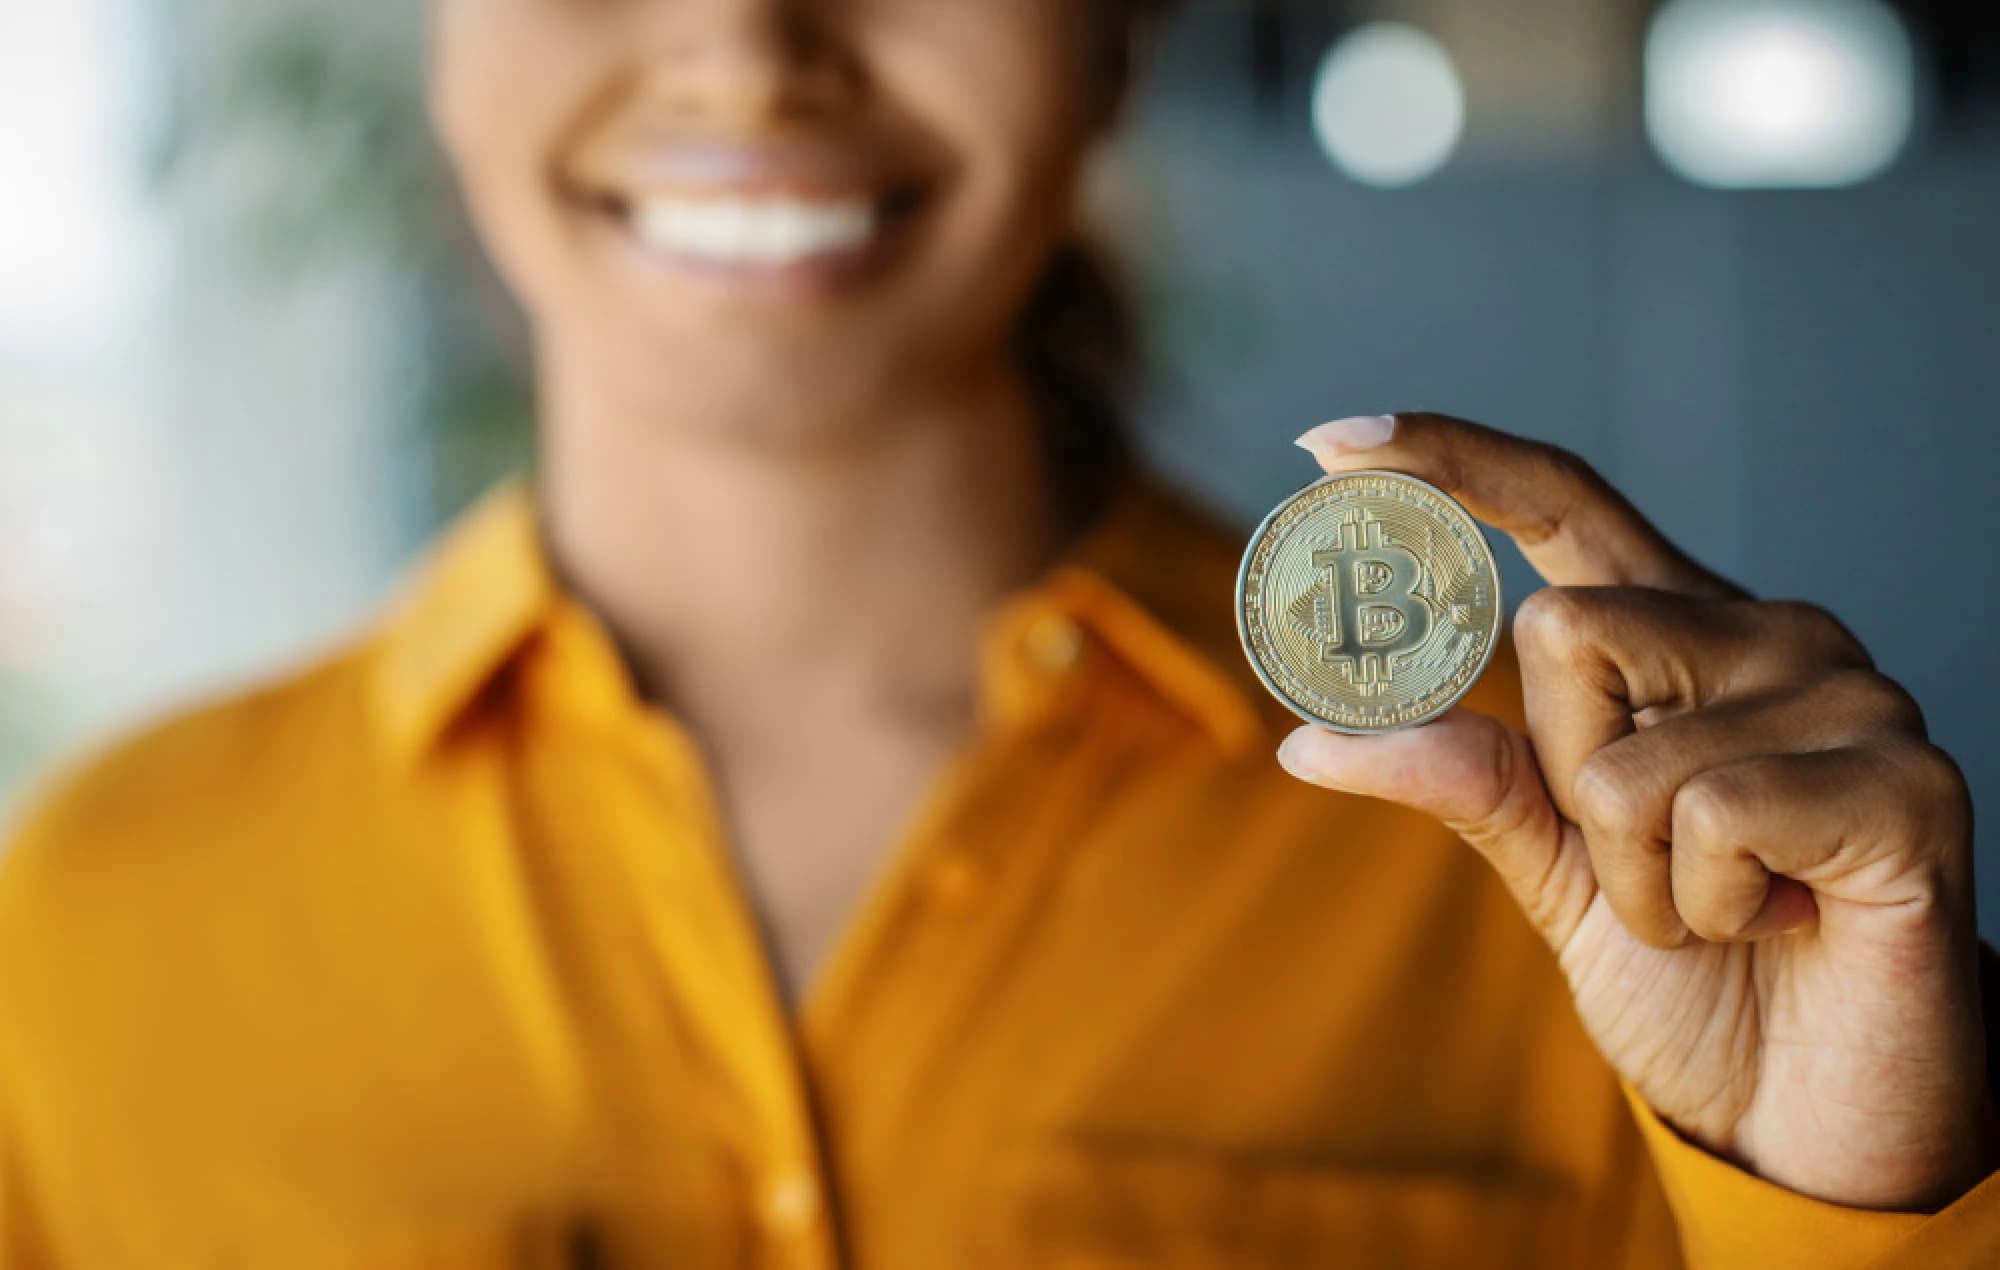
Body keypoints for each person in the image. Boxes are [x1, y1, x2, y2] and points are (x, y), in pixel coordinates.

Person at [1, 0, 1994, 1263]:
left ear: (1117, 30)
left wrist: (1868, 1209)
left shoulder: (1606, 886)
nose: (746, 45)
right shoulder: (85, 921)